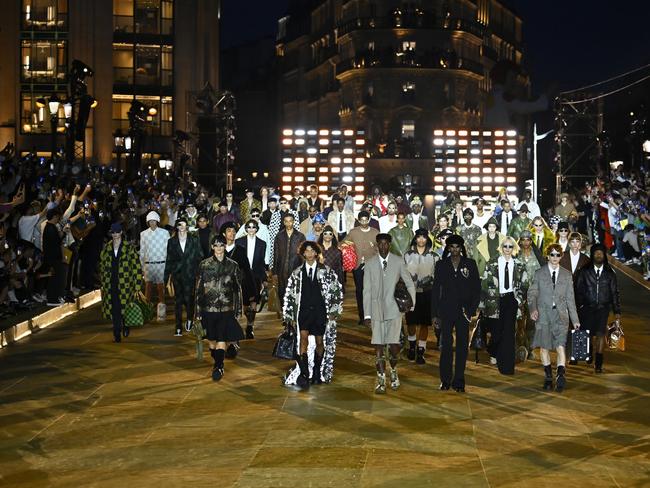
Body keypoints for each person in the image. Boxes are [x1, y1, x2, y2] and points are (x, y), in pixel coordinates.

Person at [282, 241, 343, 389]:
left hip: (320, 311)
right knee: (303, 340)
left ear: (316, 253)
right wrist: (289, 315)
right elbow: (290, 294)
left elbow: (336, 291)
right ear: (303, 253)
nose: (309, 254)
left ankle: (316, 370)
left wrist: (334, 311)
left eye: (312, 251)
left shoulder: (326, 271)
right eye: (306, 251)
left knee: (320, 341)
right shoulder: (297, 273)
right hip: (303, 311)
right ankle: (304, 372)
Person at [363, 233, 416, 394]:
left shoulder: (398, 261)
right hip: (376, 310)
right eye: (381, 244)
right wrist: (367, 315)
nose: (383, 246)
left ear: (390, 245)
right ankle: (380, 378)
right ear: (377, 245)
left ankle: (393, 370)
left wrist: (411, 304)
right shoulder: (370, 264)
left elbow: (409, 283)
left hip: (394, 311)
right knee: (378, 346)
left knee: (394, 347)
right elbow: (366, 290)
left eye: (386, 244)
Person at [431, 235, 481, 392]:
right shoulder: (441, 265)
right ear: (448, 248)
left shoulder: (470, 264)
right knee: (445, 346)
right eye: (451, 247)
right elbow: (435, 290)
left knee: (462, 348)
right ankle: (445, 380)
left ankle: (459, 381)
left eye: (457, 247)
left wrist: (472, 310)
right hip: (445, 311)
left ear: (462, 248)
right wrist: (434, 314)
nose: (454, 250)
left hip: (463, 312)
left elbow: (476, 289)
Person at [528, 244, 580, 392]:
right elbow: (532, 293)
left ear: (561, 256)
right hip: (543, 315)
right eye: (552, 254)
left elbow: (571, 299)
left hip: (561, 315)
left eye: (558, 255)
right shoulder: (539, 273)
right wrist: (533, 309)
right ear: (547, 256)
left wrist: (575, 320)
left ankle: (561, 375)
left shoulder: (567, 275)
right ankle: (549, 376)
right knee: (544, 347)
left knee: (560, 346)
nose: (555, 257)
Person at [195, 235, 244, 382]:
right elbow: (198, 289)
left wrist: (238, 309)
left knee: (222, 337)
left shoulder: (233, 265)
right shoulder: (204, 265)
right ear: (212, 247)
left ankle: (218, 366)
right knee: (211, 340)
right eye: (215, 245)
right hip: (208, 308)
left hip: (226, 308)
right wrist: (197, 311)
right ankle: (217, 359)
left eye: (221, 245)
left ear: (224, 246)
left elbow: (238, 288)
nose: (218, 248)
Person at [480, 236, 528, 375]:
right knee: (496, 334)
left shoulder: (519, 264)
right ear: (501, 248)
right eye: (505, 246)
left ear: (514, 248)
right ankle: (493, 352)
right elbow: (484, 284)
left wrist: (518, 300)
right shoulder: (492, 263)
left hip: (511, 301)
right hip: (494, 301)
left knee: (508, 334)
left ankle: (506, 367)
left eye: (510, 246)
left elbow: (525, 285)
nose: (507, 249)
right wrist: (482, 305)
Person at [574, 244, 621, 373]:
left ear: (604, 255)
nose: (599, 255)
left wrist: (617, 311)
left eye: (601, 253)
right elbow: (578, 290)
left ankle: (599, 362)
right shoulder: (584, 271)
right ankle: (588, 354)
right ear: (592, 255)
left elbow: (615, 292)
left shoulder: (610, 273)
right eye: (596, 253)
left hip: (602, 308)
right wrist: (579, 306)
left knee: (601, 334)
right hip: (587, 308)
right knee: (587, 333)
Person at [99, 223, 142, 343]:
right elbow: (102, 266)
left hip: (126, 284)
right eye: (113, 232)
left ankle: (126, 324)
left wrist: (137, 285)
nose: (115, 235)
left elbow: (136, 267)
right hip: (110, 283)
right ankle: (116, 332)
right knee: (115, 309)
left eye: (117, 232)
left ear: (121, 232)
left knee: (125, 307)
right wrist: (103, 280)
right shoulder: (107, 248)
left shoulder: (129, 248)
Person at [404, 229, 439, 363]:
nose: (421, 240)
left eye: (424, 237)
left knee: (424, 323)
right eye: (418, 237)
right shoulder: (407, 255)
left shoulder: (434, 256)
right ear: (415, 239)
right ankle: (412, 346)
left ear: (427, 239)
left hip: (427, 293)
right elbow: (402, 273)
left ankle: (421, 350)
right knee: (411, 322)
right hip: (411, 293)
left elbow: (438, 277)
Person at [164, 218, 202, 336]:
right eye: (179, 225)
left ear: (187, 227)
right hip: (177, 274)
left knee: (189, 299)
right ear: (177, 226)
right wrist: (166, 277)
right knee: (178, 301)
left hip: (190, 274)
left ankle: (190, 319)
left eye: (184, 225)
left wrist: (198, 273)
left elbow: (199, 256)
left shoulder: (194, 240)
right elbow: (169, 259)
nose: (181, 227)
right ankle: (178, 326)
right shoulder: (172, 241)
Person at [344, 210, 379, 324]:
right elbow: (344, 244)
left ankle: (371, 315)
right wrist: (349, 252)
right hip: (358, 265)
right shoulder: (353, 232)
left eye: (366, 220)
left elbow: (381, 249)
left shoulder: (375, 232)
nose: (364, 222)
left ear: (369, 220)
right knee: (359, 290)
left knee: (372, 290)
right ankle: (362, 316)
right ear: (358, 221)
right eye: (362, 220)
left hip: (372, 266)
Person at [235, 219, 267, 339]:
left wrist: (264, 278)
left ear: (257, 229)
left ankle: (250, 327)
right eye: (249, 227)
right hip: (243, 275)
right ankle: (242, 323)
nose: (251, 229)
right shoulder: (239, 242)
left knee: (254, 302)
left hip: (256, 275)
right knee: (244, 302)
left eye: (254, 227)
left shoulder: (262, 243)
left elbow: (262, 262)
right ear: (246, 229)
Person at [517, 230, 544, 359]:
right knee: (519, 321)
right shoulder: (516, 255)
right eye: (523, 239)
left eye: (528, 239)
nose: (526, 242)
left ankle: (530, 348)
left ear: (531, 241)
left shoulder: (537, 255)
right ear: (520, 241)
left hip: (534, 294)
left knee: (532, 322)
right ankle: (520, 346)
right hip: (519, 293)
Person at [272, 213, 305, 305]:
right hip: (281, 269)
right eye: (286, 221)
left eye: (290, 221)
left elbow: (303, 255)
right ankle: (284, 313)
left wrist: (303, 269)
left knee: (295, 291)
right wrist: (274, 272)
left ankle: (295, 313)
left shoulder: (300, 236)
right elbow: (276, 254)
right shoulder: (279, 236)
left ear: (293, 222)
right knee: (282, 292)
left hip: (296, 268)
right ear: (283, 222)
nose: (288, 223)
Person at [139, 211, 170, 306]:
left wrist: (168, 264)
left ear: (157, 221)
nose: (152, 223)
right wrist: (142, 265)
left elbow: (168, 249)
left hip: (161, 263)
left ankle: (162, 309)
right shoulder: (143, 234)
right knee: (148, 288)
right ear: (148, 222)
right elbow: (142, 250)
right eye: (150, 221)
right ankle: (146, 309)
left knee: (161, 288)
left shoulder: (164, 233)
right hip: (148, 264)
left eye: (154, 220)